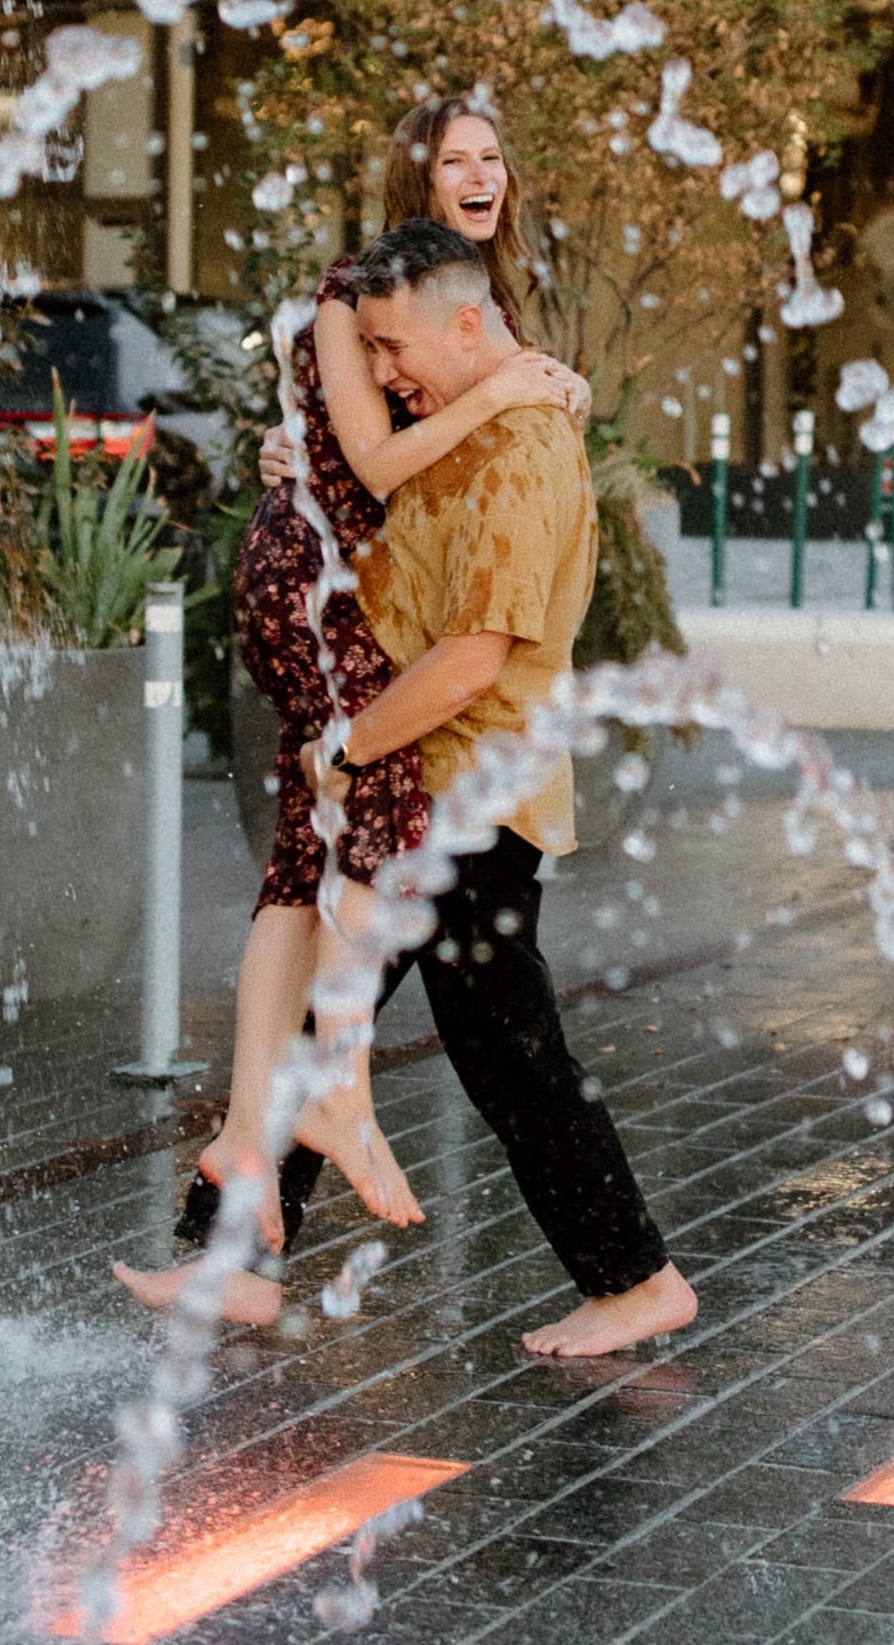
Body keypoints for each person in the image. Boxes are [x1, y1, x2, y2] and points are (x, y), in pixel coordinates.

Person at [120, 219, 697, 1359]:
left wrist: (346, 745)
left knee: (503, 1046)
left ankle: (638, 1278)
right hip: (419, 778)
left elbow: (474, 657)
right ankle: (233, 1254)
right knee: (330, 1008)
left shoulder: (524, 452)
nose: (383, 374)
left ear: (469, 326)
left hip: (467, 787)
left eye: (396, 349)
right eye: (368, 348)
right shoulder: (451, 427)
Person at [114, 98, 584, 1291]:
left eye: (492, 155)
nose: (480, 173)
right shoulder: (358, 298)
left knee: (309, 879)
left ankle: (238, 1209)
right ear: (412, 180)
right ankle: (329, 1119)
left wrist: (546, 388)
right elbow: (374, 463)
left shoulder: (480, 308)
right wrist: (505, 393)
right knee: (348, 865)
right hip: (325, 597)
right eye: (453, 159)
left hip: (361, 601)